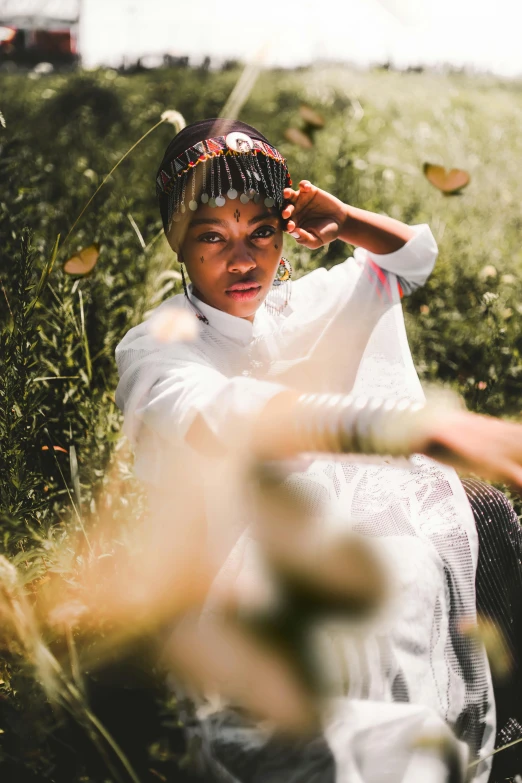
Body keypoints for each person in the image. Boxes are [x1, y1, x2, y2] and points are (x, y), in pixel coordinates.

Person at [115, 118, 522, 782]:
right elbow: (229, 416)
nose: (242, 260)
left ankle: (502, 735)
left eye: (261, 233)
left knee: (480, 518)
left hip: (355, 535)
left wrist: (344, 221)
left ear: (283, 232)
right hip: (237, 572)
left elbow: (414, 256)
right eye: (212, 236)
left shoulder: (303, 302)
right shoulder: (159, 343)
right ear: (177, 244)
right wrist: (418, 430)